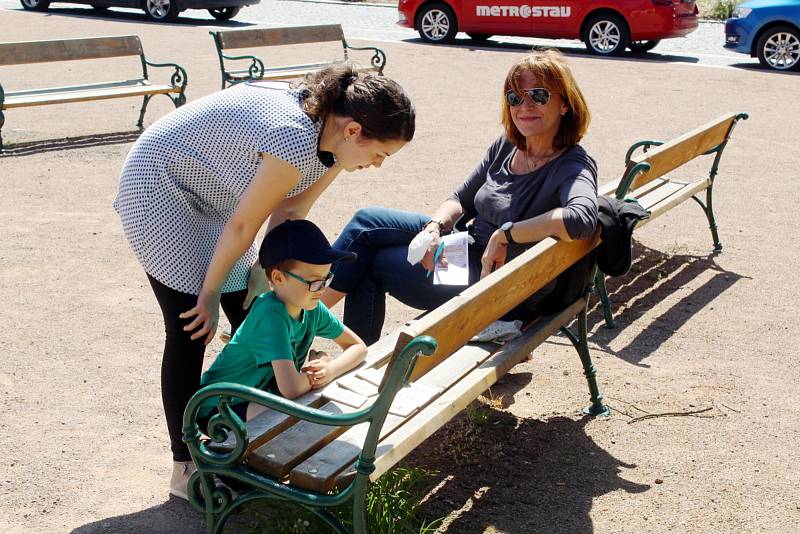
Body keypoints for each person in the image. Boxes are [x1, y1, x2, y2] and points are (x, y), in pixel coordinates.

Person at [112, 64, 414, 499]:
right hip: (159, 186)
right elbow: (242, 228)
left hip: (214, 193)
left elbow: (291, 213)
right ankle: (186, 466)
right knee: (191, 326)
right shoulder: (295, 135)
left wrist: (265, 275)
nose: (378, 165)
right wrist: (210, 293)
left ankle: (248, 439)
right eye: (381, 153)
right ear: (353, 131)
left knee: (258, 309)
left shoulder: (332, 144)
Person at [321, 50, 598, 345]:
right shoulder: (508, 144)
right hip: (467, 250)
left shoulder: (572, 165)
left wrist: (505, 236)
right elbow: (461, 198)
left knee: (371, 262)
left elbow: (581, 219)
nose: (524, 106)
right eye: (515, 97)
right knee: (368, 221)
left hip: (492, 282)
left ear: (565, 104)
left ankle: (302, 322)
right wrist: (436, 228)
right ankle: (301, 314)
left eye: (538, 96)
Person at [195, 219, 367, 449]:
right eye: (314, 282)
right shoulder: (271, 314)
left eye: (326, 279)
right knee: (300, 414)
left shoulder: (311, 306)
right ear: (278, 278)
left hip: (259, 398)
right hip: (220, 406)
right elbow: (292, 388)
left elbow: (358, 347)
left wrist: (329, 368)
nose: (322, 289)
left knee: (310, 409)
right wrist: (319, 369)